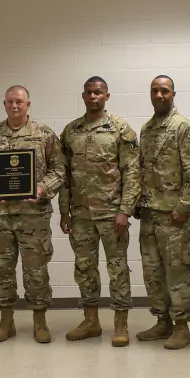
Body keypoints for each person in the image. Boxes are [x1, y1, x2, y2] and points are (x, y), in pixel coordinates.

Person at [0, 85, 66, 343]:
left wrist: (42, 188)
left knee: (36, 270)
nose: (14, 106)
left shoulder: (44, 135)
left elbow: (59, 169)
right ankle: (6, 321)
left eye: (19, 102)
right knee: (1, 269)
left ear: (28, 105)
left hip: (33, 217)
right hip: (0, 217)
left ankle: (40, 321)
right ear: (4, 104)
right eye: (10, 101)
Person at [59, 76, 140, 347]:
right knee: (84, 268)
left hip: (111, 213)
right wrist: (64, 211)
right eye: (89, 92)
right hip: (81, 214)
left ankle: (120, 323)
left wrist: (125, 210)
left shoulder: (120, 129)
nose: (93, 96)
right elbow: (64, 174)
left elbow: (132, 172)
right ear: (83, 96)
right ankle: (91, 321)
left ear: (107, 96)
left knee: (117, 268)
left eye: (98, 92)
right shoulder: (71, 131)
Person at [134, 75, 190, 350]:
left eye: (164, 90)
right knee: (152, 272)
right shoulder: (147, 129)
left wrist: (183, 208)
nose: (159, 95)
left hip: (173, 216)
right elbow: (141, 169)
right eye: (155, 91)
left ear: (173, 93)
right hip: (149, 213)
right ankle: (163, 322)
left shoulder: (184, 127)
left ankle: (182, 327)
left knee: (176, 273)